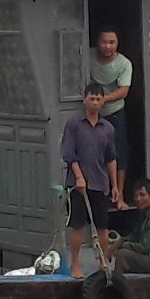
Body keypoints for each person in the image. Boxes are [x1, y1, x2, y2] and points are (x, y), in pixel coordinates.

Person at [60, 84, 124, 274]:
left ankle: (103, 263)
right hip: (77, 184)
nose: (95, 102)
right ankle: (75, 264)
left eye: (98, 99)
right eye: (92, 99)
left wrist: (114, 186)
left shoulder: (108, 128)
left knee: (102, 227)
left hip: (100, 183)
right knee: (78, 226)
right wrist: (79, 177)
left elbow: (111, 158)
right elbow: (69, 154)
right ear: (84, 100)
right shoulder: (74, 124)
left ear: (103, 102)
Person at [90, 28, 135, 162]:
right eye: (104, 42)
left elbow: (124, 91)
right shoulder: (87, 55)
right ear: (97, 42)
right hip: (90, 111)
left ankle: (118, 177)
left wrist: (104, 99)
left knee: (118, 150)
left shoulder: (124, 64)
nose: (108, 46)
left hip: (114, 111)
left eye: (112, 42)